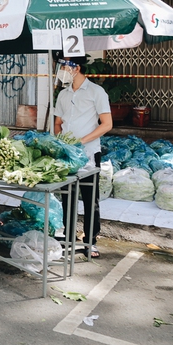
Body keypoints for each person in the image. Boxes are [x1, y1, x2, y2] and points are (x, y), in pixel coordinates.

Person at [53, 54, 113, 259]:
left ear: (76, 68)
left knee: (90, 199)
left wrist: (82, 141)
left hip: (88, 153)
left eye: (63, 66)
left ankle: (90, 241)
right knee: (67, 197)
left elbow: (107, 124)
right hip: (67, 155)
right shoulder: (62, 94)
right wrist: (59, 142)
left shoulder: (97, 92)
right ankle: (69, 238)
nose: (60, 70)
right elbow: (57, 123)